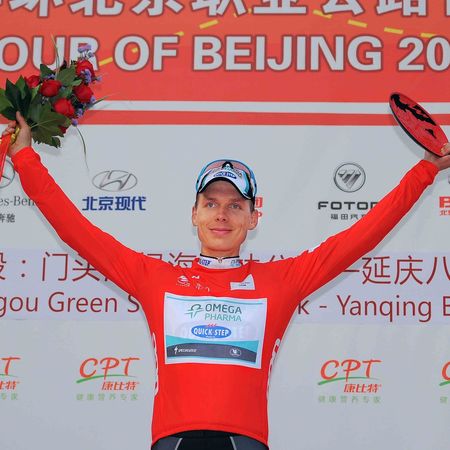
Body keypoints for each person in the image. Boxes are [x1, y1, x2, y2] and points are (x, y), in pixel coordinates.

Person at [3, 113, 450, 450]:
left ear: (254, 218)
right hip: (173, 440)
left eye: (236, 205)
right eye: (211, 203)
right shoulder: (155, 277)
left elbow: (364, 234)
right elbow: (74, 228)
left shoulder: (282, 281)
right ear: (194, 214)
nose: (222, 214)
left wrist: (425, 170)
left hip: (245, 440)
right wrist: (24, 156)